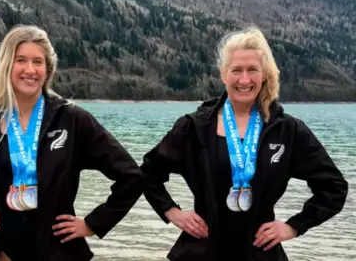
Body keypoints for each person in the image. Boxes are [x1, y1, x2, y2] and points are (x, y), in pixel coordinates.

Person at [0, 24, 144, 261]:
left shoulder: (72, 120)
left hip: (61, 253)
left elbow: (131, 176)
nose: (30, 70)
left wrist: (92, 223)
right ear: (6, 65)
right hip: (2, 254)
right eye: (21, 60)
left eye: (38, 62)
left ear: (48, 69)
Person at [141, 26, 348, 261]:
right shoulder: (194, 127)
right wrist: (172, 212)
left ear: (265, 74)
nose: (244, 79)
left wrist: (293, 226)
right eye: (236, 70)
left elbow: (334, 188)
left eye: (252, 70)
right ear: (223, 74)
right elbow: (148, 172)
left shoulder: (287, 130)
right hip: (201, 251)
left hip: (260, 252)